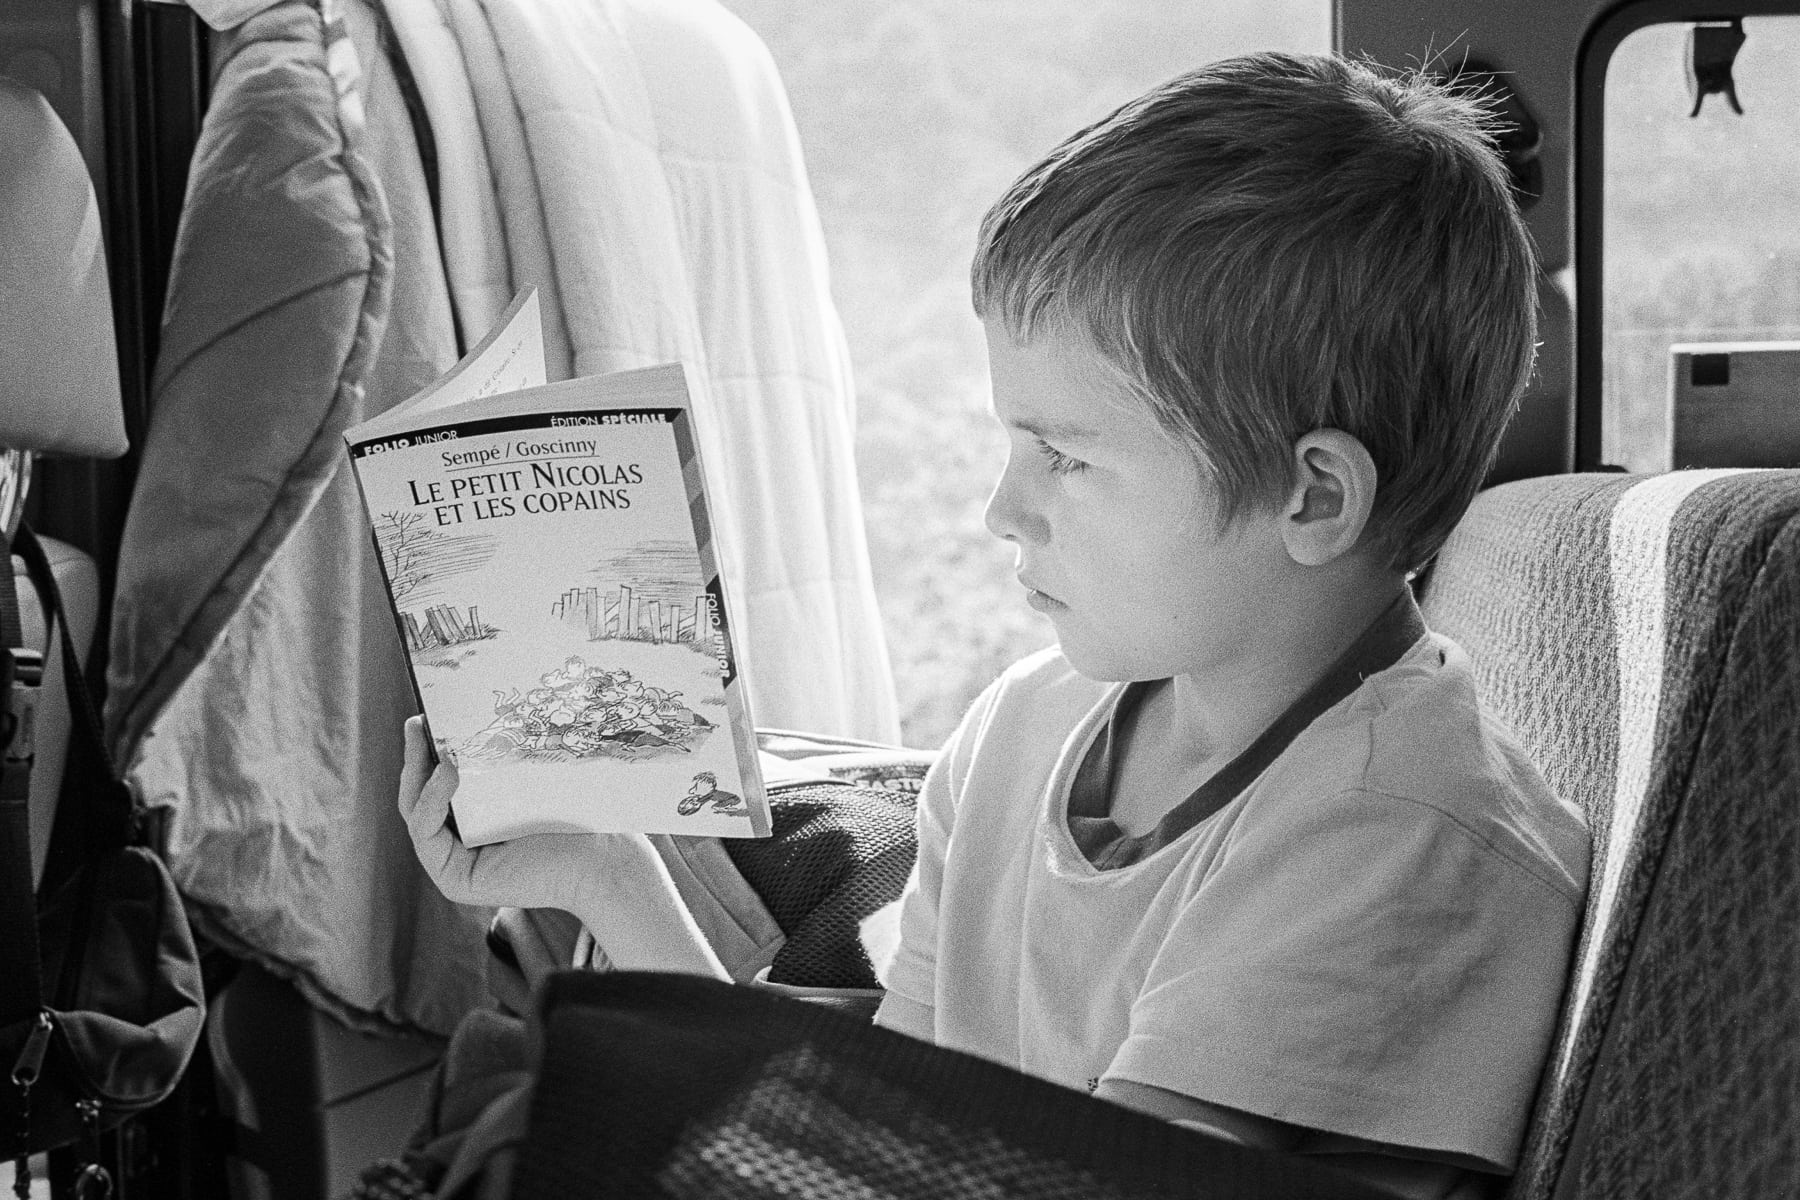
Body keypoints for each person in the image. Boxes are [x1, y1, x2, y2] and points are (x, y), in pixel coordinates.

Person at [397, 49, 1588, 1200]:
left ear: (1312, 497)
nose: (1001, 510)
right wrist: (603, 875)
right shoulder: (1026, 725)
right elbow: (881, 1123)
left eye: (1065, 457)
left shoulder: (1399, 834)